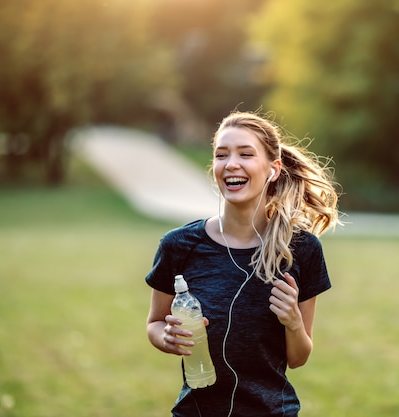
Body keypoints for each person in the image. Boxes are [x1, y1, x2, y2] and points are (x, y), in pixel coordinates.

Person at [145, 110, 341, 417]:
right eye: (221, 155)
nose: (231, 163)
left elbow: (298, 357)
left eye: (246, 154)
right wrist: (166, 338)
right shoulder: (179, 245)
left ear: (273, 169)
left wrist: (293, 321)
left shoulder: (301, 249)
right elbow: (155, 323)